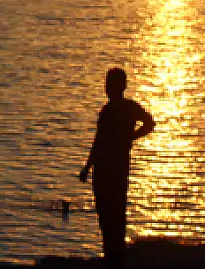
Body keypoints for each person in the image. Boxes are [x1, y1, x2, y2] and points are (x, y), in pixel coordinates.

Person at [78, 67, 155, 269]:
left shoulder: (108, 111)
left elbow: (99, 141)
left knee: (105, 213)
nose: (105, 87)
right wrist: (131, 137)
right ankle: (116, 256)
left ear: (111, 87)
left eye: (107, 83)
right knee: (118, 212)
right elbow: (150, 123)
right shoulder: (131, 107)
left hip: (105, 169)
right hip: (121, 168)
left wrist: (87, 167)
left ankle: (111, 257)